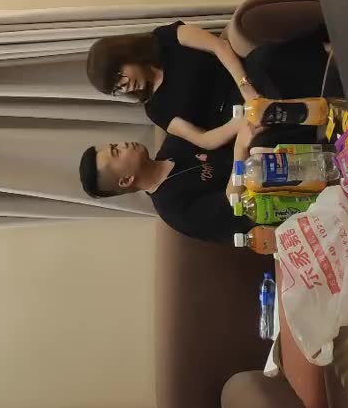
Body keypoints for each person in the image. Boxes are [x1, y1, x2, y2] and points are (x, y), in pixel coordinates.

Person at [86, 20, 329, 151]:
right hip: (235, 117)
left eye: (119, 76)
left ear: (124, 54)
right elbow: (204, 139)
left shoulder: (164, 38)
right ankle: (332, 124)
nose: (125, 87)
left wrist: (246, 89)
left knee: (266, 60)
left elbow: (219, 47)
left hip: (242, 77)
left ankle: (331, 56)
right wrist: (241, 122)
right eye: (117, 89)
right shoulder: (155, 108)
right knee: (263, 131)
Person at [79, 120, 290, 243]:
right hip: (279, 200)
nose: (123, 144)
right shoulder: (174, 209)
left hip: (272, 148)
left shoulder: (173, 145)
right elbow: (233, 203)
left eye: (115, 144)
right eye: (117, 152)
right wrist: (240, 150)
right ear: (126, 180)